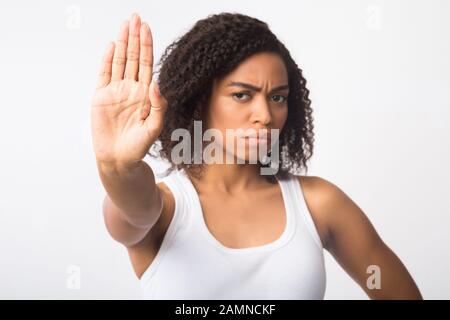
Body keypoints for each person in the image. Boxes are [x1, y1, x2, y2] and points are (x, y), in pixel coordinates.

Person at [91, 12, 422, 299]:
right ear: (199, 98)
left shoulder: (319, 204)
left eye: (277, 98)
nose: (264, 114)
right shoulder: (165, 208)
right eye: (241, 95)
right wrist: (116, 166)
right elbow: (131, 210)